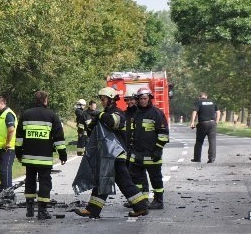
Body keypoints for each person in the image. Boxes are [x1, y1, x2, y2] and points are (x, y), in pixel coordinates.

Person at [74, 87, 149, 218]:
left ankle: (141, 206)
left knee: (120, 182)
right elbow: (95, 132)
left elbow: (114, 122)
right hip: (108, 155)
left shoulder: (117, 113)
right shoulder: (105, 113)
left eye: (103, 100)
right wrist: (92, 124)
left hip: (116, 155)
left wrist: (99, 115)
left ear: (110, 99)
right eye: (101, 100)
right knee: (105, 180)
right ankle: (94, 209)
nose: (102, 102)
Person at [15, 90, 67, 219]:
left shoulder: (26, 114)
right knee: (45, 182)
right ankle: (42, 211)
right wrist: (62, 154)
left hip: (29, 156)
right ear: (45, 100)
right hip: (44, 158)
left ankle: (30, 209)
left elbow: (19, 136)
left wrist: (18, 152)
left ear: (35, 100)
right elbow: (58, 138)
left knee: (30, 180)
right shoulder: (51, 115)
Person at [129, 87, 170, 210]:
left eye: (145, 99)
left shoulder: (156, 113)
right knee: (136, 178)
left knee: (155, 178)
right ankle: (141, 200)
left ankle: (158, 201)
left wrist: (158, 149)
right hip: (137, 153)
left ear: (149, 98)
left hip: (152, 153)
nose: (142, 101)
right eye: (140, 99)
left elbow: (163, 133)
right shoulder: (136, 113)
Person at [0, 95, 17, 199]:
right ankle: (3, 192)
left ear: (2, 103)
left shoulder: (8, 114)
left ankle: (7, 194)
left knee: (5, 170)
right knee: (3, 170)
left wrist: (7, 142)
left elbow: (11, 129)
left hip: (7, 148)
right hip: (1, 147)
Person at [190, 92, 220, 163]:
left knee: (199, 141)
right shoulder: (212, 102)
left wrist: (192, 122)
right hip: (212, 123)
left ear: (199, 97)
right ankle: (211, 159)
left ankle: (197, 158)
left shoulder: (198, 102)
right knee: (212, 141)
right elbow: (218, 112)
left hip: (203, 124)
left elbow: (194, 112)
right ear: (206, 96)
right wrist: (216, 122)